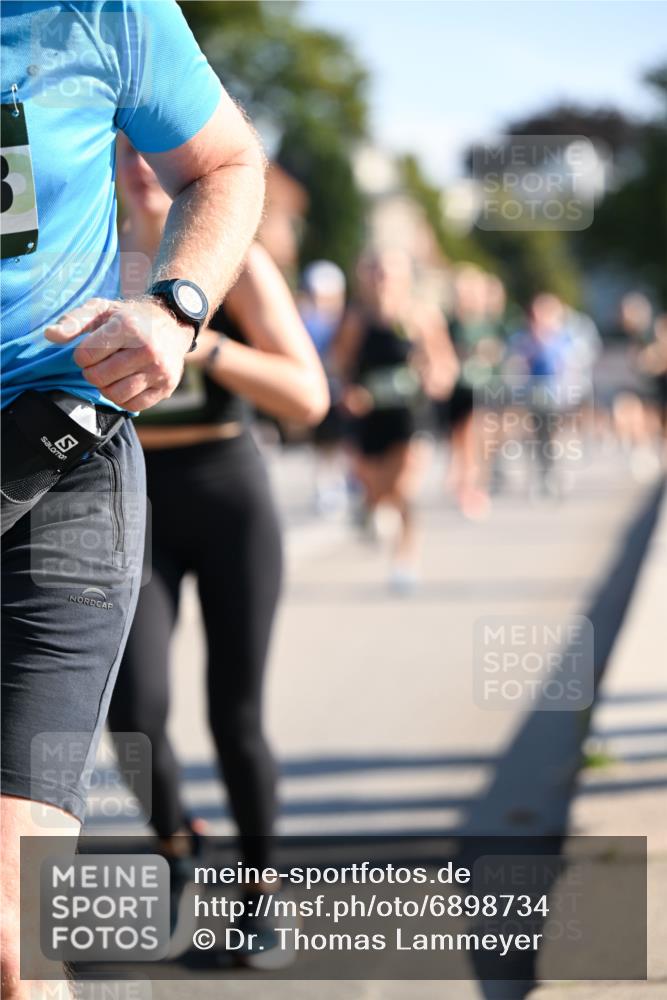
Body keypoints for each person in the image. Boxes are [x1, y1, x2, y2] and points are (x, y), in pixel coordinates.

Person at [1, 2, 265, 996]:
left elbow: (228, 162)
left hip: (51, 456)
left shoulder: (101, 10)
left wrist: (178, 307)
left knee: (9, 938)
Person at [107, 137, 328, 963]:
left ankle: (262, 892)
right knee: (132, 712)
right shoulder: (90, 256)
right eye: (122, 148)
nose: (140, 165)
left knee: (235, 714)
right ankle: (174, 846)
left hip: (229, 493)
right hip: (133, 497)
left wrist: (207, 347)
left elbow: (309, 398)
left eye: (155, 148)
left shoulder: (237, 261)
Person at [333, 249, 457, 592]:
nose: (382, 279)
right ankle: (371, 506)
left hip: (411, 415)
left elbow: (445, 364)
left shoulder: (422, 315)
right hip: (371, 415)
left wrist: (435, 377)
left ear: (406, 277)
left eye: (389, 272)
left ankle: (406, 560)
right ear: (365, 277)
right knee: (377, 486)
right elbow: (340, 365)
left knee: (404, 488)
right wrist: (349, 393)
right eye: (376, 272)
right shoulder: (356, 318)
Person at [435, 265, 507, 518]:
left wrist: (489, 353)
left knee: (483, 441)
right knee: (462, 441)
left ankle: (477, 487)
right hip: (460, 391)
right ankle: (465, 487)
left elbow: (500, 353)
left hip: (486, 390)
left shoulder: (490, 322)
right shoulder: (451, 323)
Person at [298, 260, 348, 513]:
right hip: (316, 386)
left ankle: (337, 482)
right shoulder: (302, 320)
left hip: (336, 389)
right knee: (320, 441)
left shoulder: (345, 321)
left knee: (338, 440)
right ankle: (323, 485)